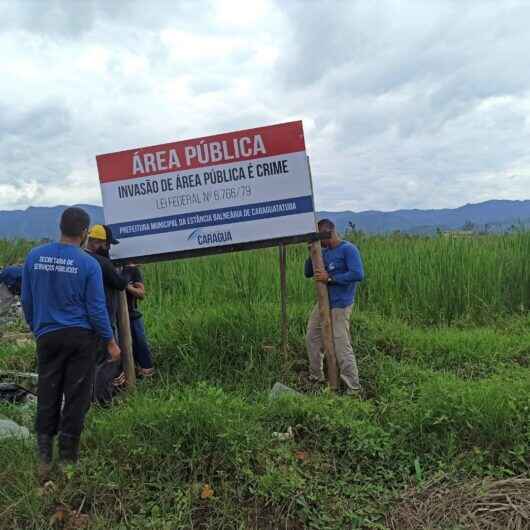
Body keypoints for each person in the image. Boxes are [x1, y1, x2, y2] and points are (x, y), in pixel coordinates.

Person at [21, 207, 121, 481]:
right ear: (85, 233)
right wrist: (110, 342)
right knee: (76, 396)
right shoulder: (88, 263)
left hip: (48, 336)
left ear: (60, 227)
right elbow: (96, 308)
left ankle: (43, 459)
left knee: (48, 391)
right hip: (80, 338)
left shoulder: (34, 257)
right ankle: (67, 462)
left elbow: (27, 300)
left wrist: (36, 327)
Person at [304, 219, 365, 396]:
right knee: (312, 337)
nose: (320, 242)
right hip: (323, 303)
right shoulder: (323, 252)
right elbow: (308, 272)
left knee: (341, 344)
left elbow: (357, 274)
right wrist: (312, 251)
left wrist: (330, 278)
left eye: (320, 238)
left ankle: (353, 387)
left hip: (341, 304)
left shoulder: (348, 249)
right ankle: (316, 377)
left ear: (329, 233)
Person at [85, 224, 128, 403]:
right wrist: (126, 269)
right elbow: (120, 283)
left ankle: (90, 401)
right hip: (103, 320)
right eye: (107, 244)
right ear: (96, 242)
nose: (108, 248)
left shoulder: (81, 259)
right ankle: (103, 403)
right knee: (110, 359)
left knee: (92, 362)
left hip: (84, 322)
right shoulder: (103, 263)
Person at [122, 263, 155, 377]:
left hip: (132, 314)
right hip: (112, 316)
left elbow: (141, 294)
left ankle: (147, 374)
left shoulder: (131, 269)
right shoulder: (106, 266)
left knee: (140, 344)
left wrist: (126, 286)